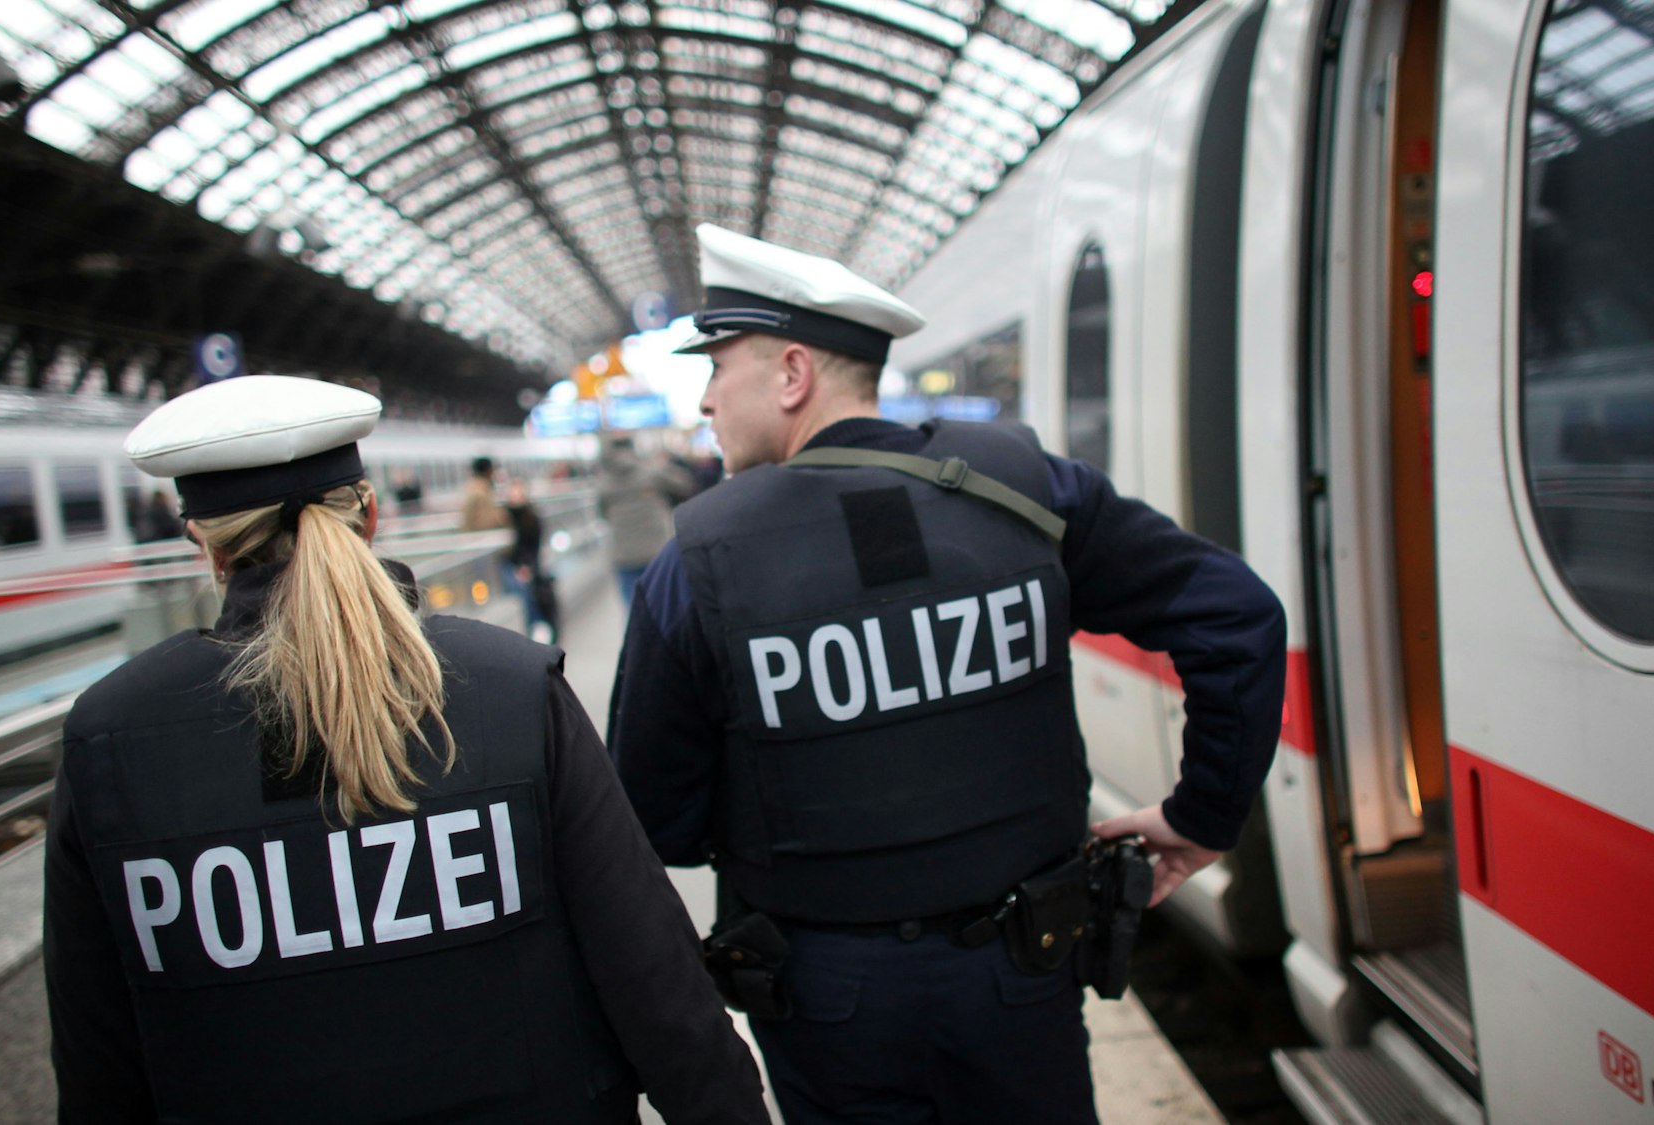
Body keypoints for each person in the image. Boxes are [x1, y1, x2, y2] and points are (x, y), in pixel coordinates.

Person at [606, 225, 1287, 1125]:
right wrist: (1203, 815)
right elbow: (1238, 616)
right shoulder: (1029, 487)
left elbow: (656, 818)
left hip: (827, 1000)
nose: (702, 400)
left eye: (716, 367)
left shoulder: (694, 562)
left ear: (792, 373)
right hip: (1024, 970)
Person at [43, 375, 770, 1125]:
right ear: (370, 514)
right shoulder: (510, 686)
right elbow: (652, 971)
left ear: (204, 543)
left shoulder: (109, 739)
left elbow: (96, 1052)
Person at [596, 433, 694, 607]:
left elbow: (601, 513)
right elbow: (685, 483)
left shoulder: (603, 483)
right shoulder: (650, 471)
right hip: (656, 551)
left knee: (634, 607)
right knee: (666, 604)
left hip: (623, 554)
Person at [503, 476, 559, 644]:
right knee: (522, 589)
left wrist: (526, 566)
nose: (516, 496)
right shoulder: (504, 516)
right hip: (510, 564)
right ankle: (536, 628)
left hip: (528, 565)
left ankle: (537, 626)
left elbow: (534, 547)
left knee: (528, 589)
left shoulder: (531, 517)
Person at [459, 455, 505, 532]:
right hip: (478, 537)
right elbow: (486, 522)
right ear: (488, 471)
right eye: (493, 471)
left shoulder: (470, 488)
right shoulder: (481, 492)